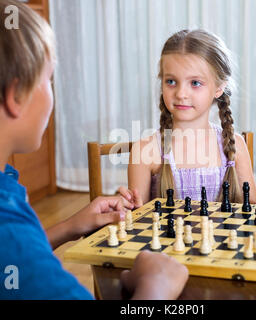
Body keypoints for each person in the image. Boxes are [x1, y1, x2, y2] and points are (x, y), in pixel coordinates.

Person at [0, 0, 188, 299]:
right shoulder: (9, 230)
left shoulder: (8, 198)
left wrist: (69, 227)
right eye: (48, 79)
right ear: (16, 95)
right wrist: (157, 286)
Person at [127, 29, 256, 205]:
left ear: (219, 87)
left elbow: (250, 205)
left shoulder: (235, 145)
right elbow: (135, 221)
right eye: (171, 81)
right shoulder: (144, 151)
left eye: (195, 83)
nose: (181, 93)